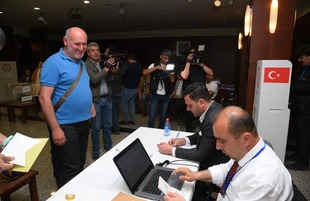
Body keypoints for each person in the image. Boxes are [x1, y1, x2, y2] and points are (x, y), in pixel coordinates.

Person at [164, 106, 294, 201]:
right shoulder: (247, 152)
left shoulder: (262, 181)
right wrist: (195, 175)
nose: (217, 146)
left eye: (222, 141)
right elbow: (226, 170)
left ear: (245, 139)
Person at [39, 27, 95, 189]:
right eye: (77, 43)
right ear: (65, 41)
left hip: (83, 122)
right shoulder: (53, 62)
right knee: (67, 168)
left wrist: (89, 103)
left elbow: (83, 85)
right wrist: (55, 128)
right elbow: (44, 98)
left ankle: (76, 193)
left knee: (79, 163)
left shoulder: (81, 64)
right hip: (64, 124)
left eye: (84, 44)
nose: (81, 48)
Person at [158, 82, 228, 201]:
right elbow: (201, 134)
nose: (187, 109)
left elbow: (200, 155)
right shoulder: (213, 108)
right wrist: (184, 140)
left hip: (211, 166)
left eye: (190, 105)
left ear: (201, 102)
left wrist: (171, 150)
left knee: (179, 185)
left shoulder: (212, 119)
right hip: (214, 168)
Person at [85, 42, 116, 160]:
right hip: (96, 100)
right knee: (96, 127)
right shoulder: (86, 65)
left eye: (97, 50)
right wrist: (107, 68)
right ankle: (95, 151)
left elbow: (109, 80)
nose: (96, 52)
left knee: (108, 125)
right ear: (88, 53)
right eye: (93, 50)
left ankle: (108, 147)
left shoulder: (103, 63)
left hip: (107, 99)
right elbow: (94, 80)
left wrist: (113, 72)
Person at [287, 43, 310, 171]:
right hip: (300, 107)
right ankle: (299, 154)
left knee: (304, 135)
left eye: (302, 57)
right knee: (299, 134)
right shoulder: (306, 68)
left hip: (307, 109)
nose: (300, 60)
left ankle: (302, 162)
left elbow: (307, 87)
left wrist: (289, 85)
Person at [180, 48, 213, 132]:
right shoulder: (184, 65)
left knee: (203, 116)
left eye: (194, 54)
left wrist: (201, 64)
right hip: (190, 95)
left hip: (201, 94)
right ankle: (189, 134)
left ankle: (202, 133)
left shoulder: (201, 66)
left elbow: (211, 73)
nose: (193, 56)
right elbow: (184, 76)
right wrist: (188, 62)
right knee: (189, 117)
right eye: (191, 54)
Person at [143, 49, 175, 128]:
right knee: (152, 114)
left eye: (168, 58)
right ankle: (150, 130)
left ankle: (160, 130)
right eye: (165, 58)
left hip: (166, 95)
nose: (166, 60)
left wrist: (171, 75)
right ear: (160, 57)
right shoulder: (154, 64)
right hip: (155, 94)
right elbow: (144, 73)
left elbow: (172, 80)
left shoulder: (170, 66)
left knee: (163, 115)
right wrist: (156, 68)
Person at [119, 53, 142, 125]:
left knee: (124, 105)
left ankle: (125, 120)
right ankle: (132, 120)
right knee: (132, 104)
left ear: (130, 59)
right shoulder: (139, 66)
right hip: (134, 88)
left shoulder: (128, 66)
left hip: (126, 88)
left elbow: (123, 72)